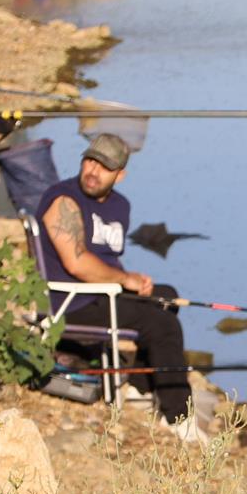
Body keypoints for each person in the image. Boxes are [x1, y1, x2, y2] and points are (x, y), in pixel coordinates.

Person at [36, 134, 202, 441]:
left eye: (105, 167)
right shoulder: (63, 200)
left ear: (120, 174)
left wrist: (135, 281)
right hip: (70, 301)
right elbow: (77, 263)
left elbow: (107, 259)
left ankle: (140, 386)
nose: (93, 171)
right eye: (90, 161)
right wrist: (125, 280)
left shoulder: (119, 206)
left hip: (101, 294)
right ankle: (178, 418)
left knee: (166, 297)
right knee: (162, 325)